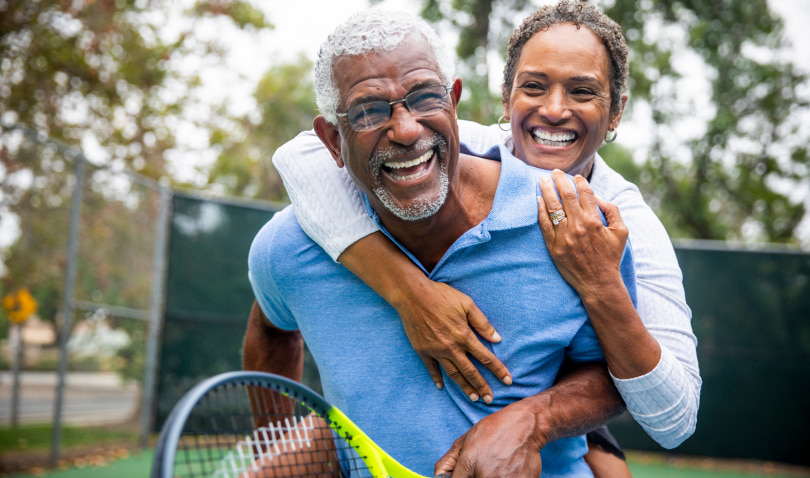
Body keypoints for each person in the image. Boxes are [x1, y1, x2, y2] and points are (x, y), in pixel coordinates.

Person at [270, 0, 701, 473]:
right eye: (533, 87)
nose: (553, 110)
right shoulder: (450, 145)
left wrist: (599, 285)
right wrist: (412, 294)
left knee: (606, 468)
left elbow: (672, 418)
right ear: (506, 96)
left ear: (615, 112)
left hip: (566, 389)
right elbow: (300, 157)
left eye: (582, 92)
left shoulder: (625, 223)